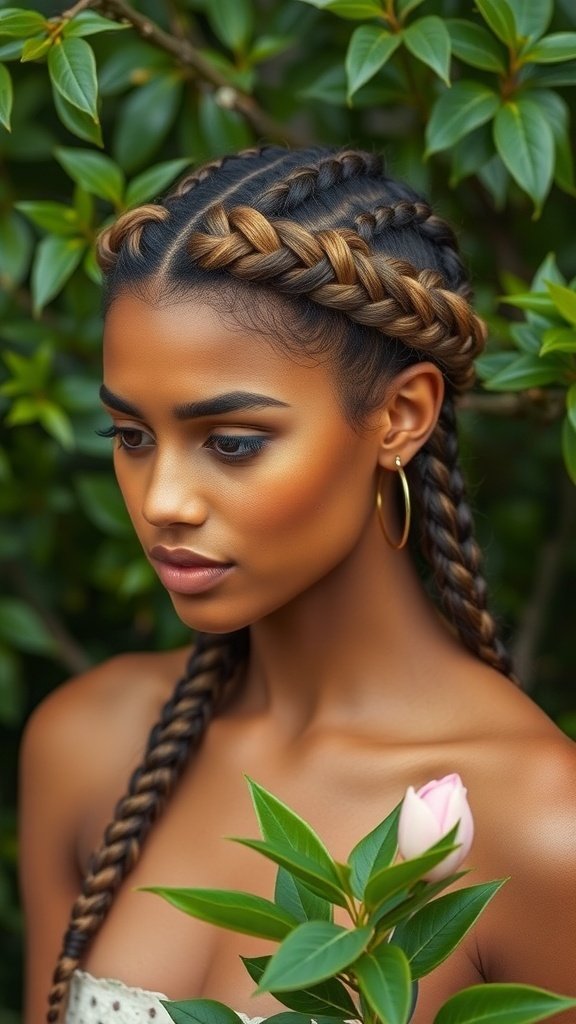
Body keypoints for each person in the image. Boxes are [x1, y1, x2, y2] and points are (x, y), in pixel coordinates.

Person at [19, 146, 576, 1024]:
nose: (162, 501)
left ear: (401, 417)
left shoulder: (540, 830)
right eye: (130, 437)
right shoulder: (89, 747)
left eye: (232, 442)